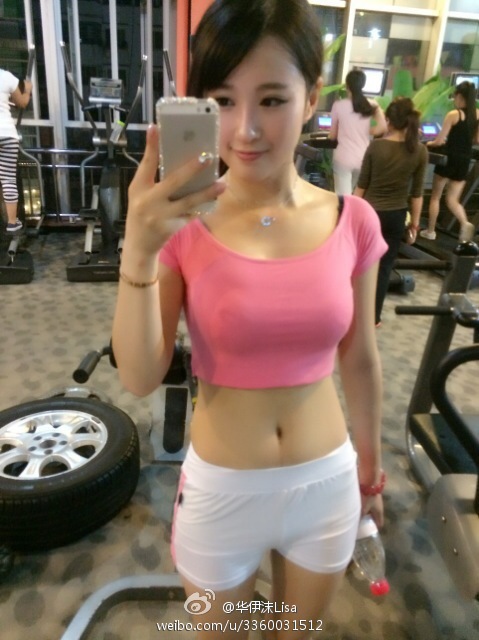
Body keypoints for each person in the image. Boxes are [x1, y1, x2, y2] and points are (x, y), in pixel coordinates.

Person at [112, 1, 387, 637]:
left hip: (325, 483)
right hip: (222, 492)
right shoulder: (184, 225)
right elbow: (140, 376)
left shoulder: (353, 220)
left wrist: (371, 472)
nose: (245, 129)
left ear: (312, 97)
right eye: (222, 101)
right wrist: (139, 250)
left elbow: (360, 357)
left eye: (271, 100)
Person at [354, 97, 428, 326]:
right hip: (396, 216)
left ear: (389, 121)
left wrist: (349, 215)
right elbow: (417, 194)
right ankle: (373, 318)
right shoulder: (420, 151)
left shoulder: (376, 146)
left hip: (369, 214)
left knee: (360, 266)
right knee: (384, 268)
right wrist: (415, 225)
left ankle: (354, 315)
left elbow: (361, 186)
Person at [419, 81, 479, 242]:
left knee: (435, 197)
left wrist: (429, 143)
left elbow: (439, 141)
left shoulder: (454, 114)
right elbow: (477, 140)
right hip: (464, 160)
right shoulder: (477, 114)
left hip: (448, 159)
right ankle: (465, 223)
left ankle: (430, 231)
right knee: (453, 200)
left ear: (459, 96)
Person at [328, 69, 387, 195]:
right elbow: (383, 127)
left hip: (344, 158)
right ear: (363, 85)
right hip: (363, 159)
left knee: (344, 199)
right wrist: (367, 131)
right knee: (354, 197)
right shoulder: (371, 104)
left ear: (347, 85)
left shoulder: (338, 105)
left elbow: (333, 136)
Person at [0, 67, 32, 233]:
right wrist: (28, 90)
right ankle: (12, 222)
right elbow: (22, 103)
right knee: (8, 179)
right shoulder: (6, 76)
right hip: (6, 133)